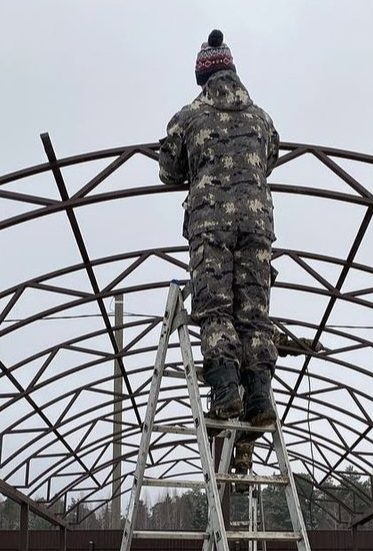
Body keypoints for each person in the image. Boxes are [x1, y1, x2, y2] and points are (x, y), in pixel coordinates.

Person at [158, 29, 281, 425]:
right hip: (257, 224)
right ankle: (259, 396)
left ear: (202, 78)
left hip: (210, 225)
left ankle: (226, 390)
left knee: (215, 308)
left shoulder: (189, 118)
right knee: (254, 313)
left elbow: (168, 170)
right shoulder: (261, 119)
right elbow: (271, 158)